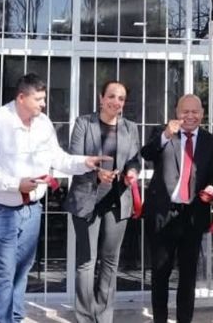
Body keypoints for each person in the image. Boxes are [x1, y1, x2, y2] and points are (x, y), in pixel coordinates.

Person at [0, 73, 111, 323]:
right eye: (38, 99)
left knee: (22, 269)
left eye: (43, 99)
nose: (44, 104)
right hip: (1, 208)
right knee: (4, 272)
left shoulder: (43, 123)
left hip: (32, 208)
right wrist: (15, 185)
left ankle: (15, 317)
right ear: (21, 98)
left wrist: (84, 162)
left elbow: (57, 158)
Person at [63, 80, 141, 323]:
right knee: (86, 262)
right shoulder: (84, 123)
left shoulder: (130, 128)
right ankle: (85, 317)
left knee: (110, 261)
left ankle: (104, 315)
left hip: (117, 201)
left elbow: (135, 159)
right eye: (112, 96)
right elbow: (75, 158)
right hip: (87, 199)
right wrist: (97, 174)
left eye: (121, 98)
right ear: (101, 97)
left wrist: (132, 172)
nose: (116, 102)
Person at [141, 94, 213, 323]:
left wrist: (212, 187)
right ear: (176, 113)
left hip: (193, 215)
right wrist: (166, 135)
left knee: (188, 276)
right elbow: (146, 154)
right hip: (163, 213)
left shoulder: (212, 141)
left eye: (194, 111)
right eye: (185, 111)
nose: (190, 116)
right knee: (160, 273)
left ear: (202, 114)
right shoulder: (163, 132)